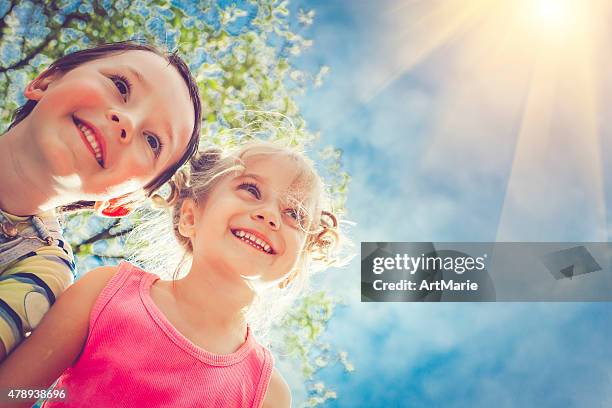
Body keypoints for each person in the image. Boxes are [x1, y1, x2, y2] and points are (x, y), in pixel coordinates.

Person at [0, 140, 344, 407]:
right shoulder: (106, 293)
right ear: (191, 217)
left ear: (294, 267)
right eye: (251, 190)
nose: (270, 215)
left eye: (295, 214)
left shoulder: (266, 394)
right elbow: (13, 393)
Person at [0, 41, 202, 362]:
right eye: (120, 85)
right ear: (45, 81)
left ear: (121, 202)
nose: (127, 121)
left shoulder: (43, 268)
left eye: (152, 141)